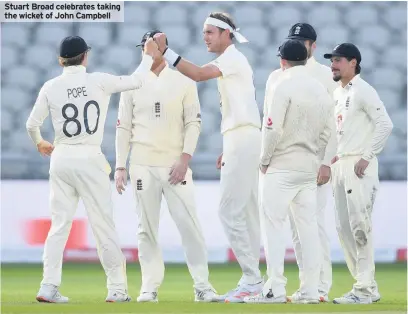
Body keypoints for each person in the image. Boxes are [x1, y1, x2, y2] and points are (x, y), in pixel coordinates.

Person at [25, 35, 159, 303]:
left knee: (59, 225)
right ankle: (117, 289)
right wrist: (148, 55)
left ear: (61, 60)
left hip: (61, 157)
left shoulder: (51, 86)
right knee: (103, 226)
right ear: (85, 56)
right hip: (90, 158)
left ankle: (48, 286)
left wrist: (40, 143)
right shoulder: (98, 80)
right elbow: (137, 80)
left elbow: (31, 124)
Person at [153, 12, 263, 303]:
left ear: (227, 34)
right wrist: (231, 145)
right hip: (243, 137)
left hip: (244, 138)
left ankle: (252, 280)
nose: (205, 37)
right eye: (204, 32)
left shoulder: (232, 57)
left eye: (211, 32)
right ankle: (256, 280)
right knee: (247, 212)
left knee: (229, 212)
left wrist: (166, 53)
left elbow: (199, 75)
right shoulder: (232, 59)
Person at [114, 30, 218, 303]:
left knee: (189, 225)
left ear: (163, 49)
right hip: (141, 165)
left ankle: (203, 286)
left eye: (150, 48)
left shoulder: (183, 80)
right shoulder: (133, 82)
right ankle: (149, 286)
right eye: (143, 48)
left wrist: (185, 158)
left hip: (174, 166)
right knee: (146, 228)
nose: (145, 52)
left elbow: (193, 123)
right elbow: (123, 126)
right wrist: (120, 166)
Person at [244, 39, 333, 304]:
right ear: (305, 59)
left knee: (273, 226)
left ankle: (275, 289)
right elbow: (328, 131)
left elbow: (272, 128)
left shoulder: (281, 84)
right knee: (308, 229)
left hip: (280, 167)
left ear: (282, 60)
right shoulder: (320, 89)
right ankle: (311, 290)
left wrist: (264, 160)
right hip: (307, 169)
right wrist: (316, 158)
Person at [324, 43, 393, 304]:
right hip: (341, 164)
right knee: (343, 228)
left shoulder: (364, 90)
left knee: (359, 226)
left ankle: (364, 289)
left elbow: (385, 124)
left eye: (338, 60)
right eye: (332, 60)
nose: (333, 64)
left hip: (359, 166)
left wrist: (367, 156)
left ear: (353, 62)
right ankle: (364, 286)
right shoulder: (337, 93)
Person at [281, 23, 338, 303]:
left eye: (303, 41)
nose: (299, 44)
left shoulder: (325, 76)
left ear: (313, 46)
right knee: (296, 227)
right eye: (295, 40)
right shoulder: (283, 72)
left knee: (313, 224)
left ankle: (321, 287)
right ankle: (307, 286)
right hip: (289, 162)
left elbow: (333, 123)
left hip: (316, 161)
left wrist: (327, 162)